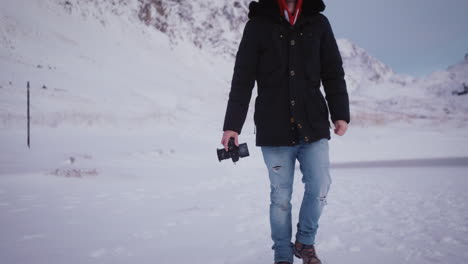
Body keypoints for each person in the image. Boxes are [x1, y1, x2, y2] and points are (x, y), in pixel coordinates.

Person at [220, 0, 350, 263]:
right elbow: (243, 78)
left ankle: (305, 242)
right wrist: (232, 125)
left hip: (313, 124)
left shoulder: (319, 23)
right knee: (280, 196)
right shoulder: (257, 25)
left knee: (320, 186)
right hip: (273, 127)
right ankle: (282, 252)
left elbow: (333, 72)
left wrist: (340, 113)